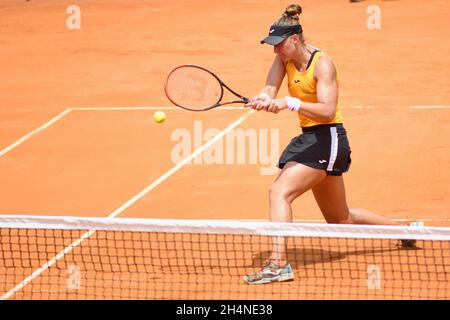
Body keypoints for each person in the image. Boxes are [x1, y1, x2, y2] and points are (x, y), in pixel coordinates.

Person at [243, 4, 411, 285]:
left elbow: (327, 109)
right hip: (311, 139)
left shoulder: (322, 64)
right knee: (340, 218)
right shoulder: (283, 59)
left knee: (279, 192)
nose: (275, 50)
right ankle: (408, 231)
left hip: (328, 138)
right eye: (272, 45)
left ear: (295, 40)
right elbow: (271, 86)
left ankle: (278, 265)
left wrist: (290, 103)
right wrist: (264, 98)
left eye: (279, 44)